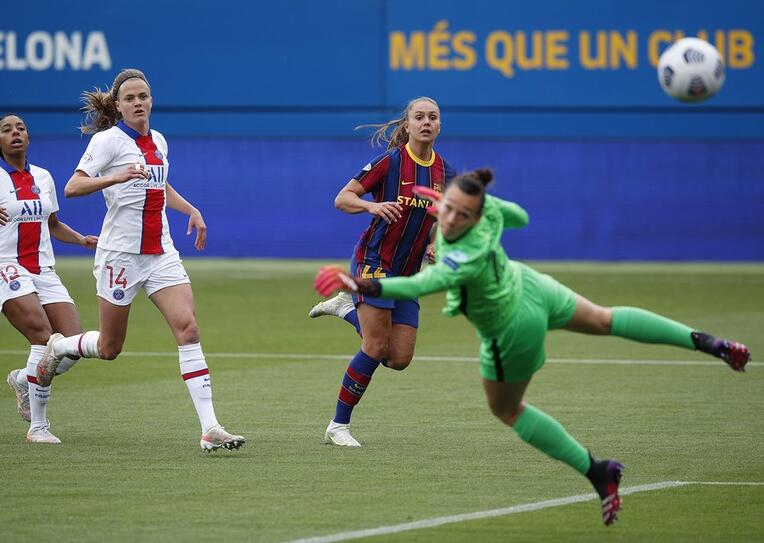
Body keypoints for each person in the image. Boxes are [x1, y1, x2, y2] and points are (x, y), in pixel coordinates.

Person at [313, 169, 751, 526]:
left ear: (472, 218)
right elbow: (519, 216)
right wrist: (473, 204)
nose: (447, 221)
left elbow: (419, 283)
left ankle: (598, 471)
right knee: (605, 318)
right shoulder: (489, 216)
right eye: (447, 211)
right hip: (535, 287)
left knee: (508, 410)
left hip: (512, 327)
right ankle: (706, 342)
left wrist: (359, 283)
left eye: (459, 216)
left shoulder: (461, 256)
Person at [35, 68, 244, 451]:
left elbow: (158, 183)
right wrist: (113, 178)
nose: (138, 103)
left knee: (189, 328)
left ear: (151, 100)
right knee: (111, 347)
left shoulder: (159, 140)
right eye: (130, 98)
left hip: (161, 252)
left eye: (143, 96)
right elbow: (73, 185)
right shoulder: (108, 141)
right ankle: (61, 347)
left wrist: (190, 209)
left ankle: (210, 429)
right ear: (118, 105)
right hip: (120, 254)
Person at [309, 97, 457, 447]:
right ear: (406, 125)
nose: (425, 122)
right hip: (375, 261)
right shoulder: (390, 163)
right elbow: (342, 198)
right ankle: (338, 426)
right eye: (418, 117)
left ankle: (345, 308)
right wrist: (371, 205)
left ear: (439, 125)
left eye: (432, 117)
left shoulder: (446, 174)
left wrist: (437, 245)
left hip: (408, 274)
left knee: (399, 358)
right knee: (375, 345)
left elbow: (443, 222)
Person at [0, 114, 99, 444]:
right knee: (44, 338)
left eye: (21, 129)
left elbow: (53, 224)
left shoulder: (43, 177)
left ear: (28, 138)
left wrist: (81, 239)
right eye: (7, 130)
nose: (16, 133)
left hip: (43, 270)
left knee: (72, 346)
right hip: (5, 267)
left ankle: (23, 379)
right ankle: (38, 428)